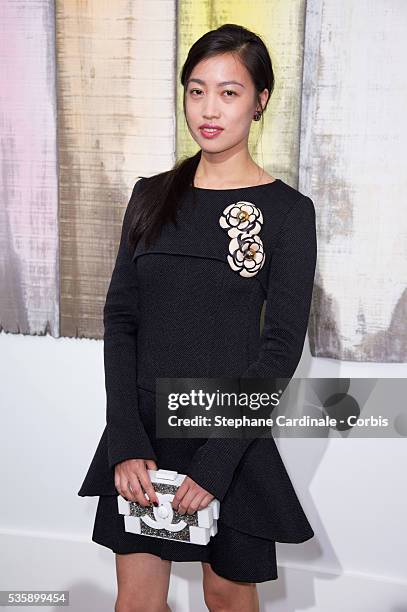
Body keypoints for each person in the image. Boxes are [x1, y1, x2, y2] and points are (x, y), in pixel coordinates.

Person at [78, 23, 317, 612]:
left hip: (228, 436)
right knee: (135, 602)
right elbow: (121, 321)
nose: (209, 109)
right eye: (196, 90)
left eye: (229, 92)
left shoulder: (287, 212)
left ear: (260, 101)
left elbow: (280, 347)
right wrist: (127, 441)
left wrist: (215, 461)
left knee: (226, 597)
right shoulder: (151, 195)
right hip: (144, 436)